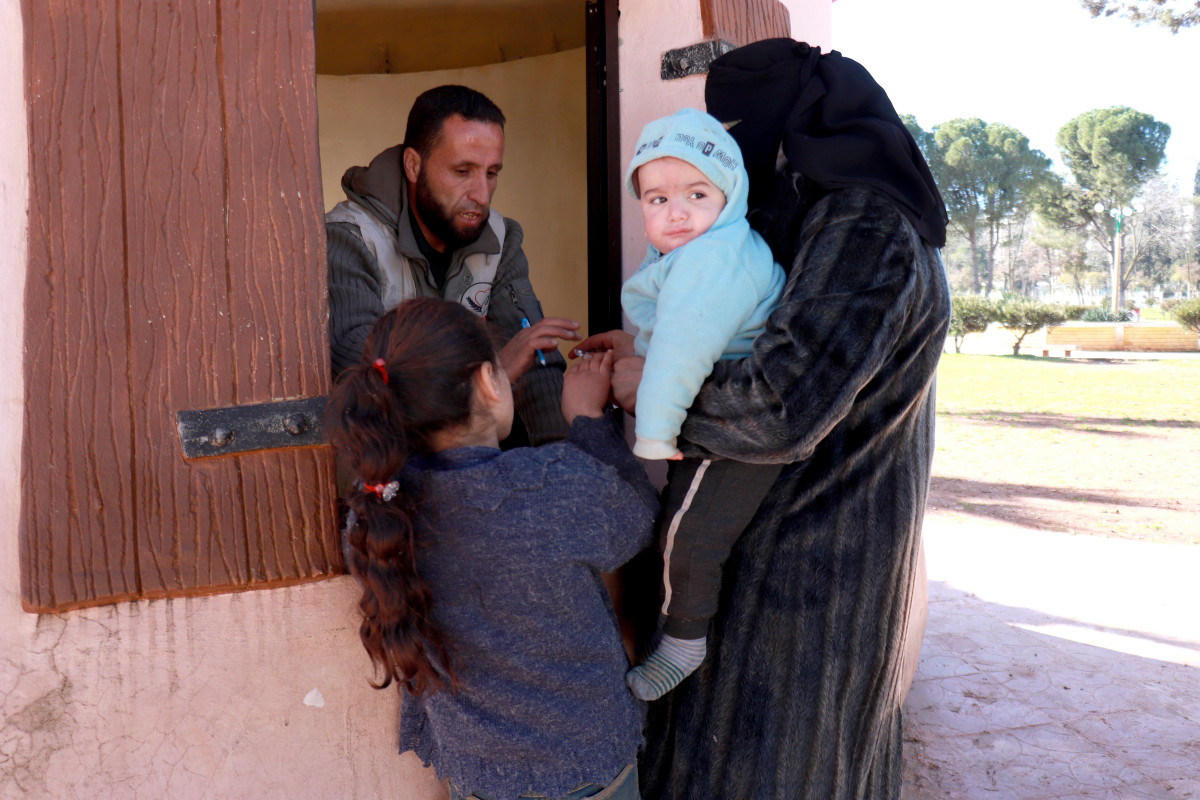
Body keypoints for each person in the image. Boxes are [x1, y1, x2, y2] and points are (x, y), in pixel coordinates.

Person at [577, 39, 951, 799]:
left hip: (815, 586)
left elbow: (780, 408)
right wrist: (652, 342)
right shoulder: (826, 209)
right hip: (783, 573)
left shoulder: (865, 227)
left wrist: (654, 386)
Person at [324, 297, 659, 800]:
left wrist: (486, 396)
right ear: (487, 380)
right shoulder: (551, 486)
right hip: (585, 767)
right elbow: (639, 516)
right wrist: (589, 420)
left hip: (475, 774)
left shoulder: (376, 514)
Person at [616, 108, 785, 701]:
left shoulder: (711, 260)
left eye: (695, 193)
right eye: (656, 198)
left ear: (729, 192)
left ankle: (684, 644)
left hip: (739, 431)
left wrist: (655, 436)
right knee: (686, 526)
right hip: (728, 413)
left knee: (691, 534)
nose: (676, 212)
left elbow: (678, 355)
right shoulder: (706, 248)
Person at [326, 84, 579, 446]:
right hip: (388, 465)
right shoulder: (349, 237)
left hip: (477, 464)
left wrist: (559, 468)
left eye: (492, 173)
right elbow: (356, 365)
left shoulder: (500, 237)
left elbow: (534, 359)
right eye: (463, 171)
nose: (481, 194)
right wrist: (492, 369)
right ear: (414, 165)